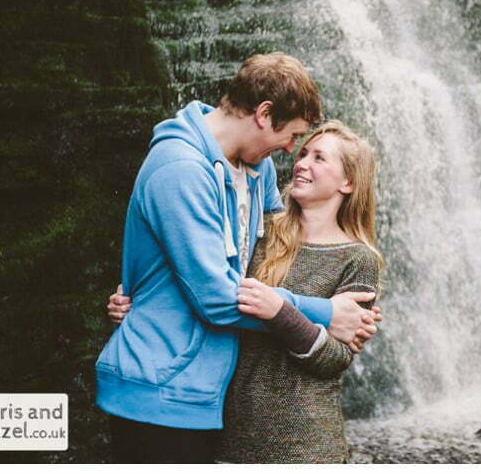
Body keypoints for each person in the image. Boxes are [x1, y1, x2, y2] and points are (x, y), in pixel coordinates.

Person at [95, 53, 379, 463]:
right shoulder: (180, 170)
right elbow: (215, 296)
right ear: (264, 114)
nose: (291, 153)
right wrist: (324, 312)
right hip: (162, 386)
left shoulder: (256, 168)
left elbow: (273, 251)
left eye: (314, 152)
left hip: (213, 399)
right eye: (293, 137)